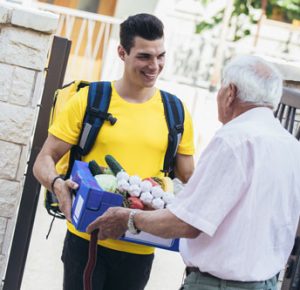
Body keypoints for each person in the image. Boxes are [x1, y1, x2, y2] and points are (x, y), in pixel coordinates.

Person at [87, 55, 300, 290]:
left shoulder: (234, 139)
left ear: (230, 93)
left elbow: (187, 223)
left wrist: (128, 218)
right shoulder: (290, 145)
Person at [33, 13, 195, 290]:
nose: (154, 65)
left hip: (141, 245)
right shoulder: (90, 100)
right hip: (87, 239)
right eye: (144, 56)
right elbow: (43, 160)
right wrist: (58, 185)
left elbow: (193, 179)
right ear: (122, 52)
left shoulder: (175, 111)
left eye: (161, 56)